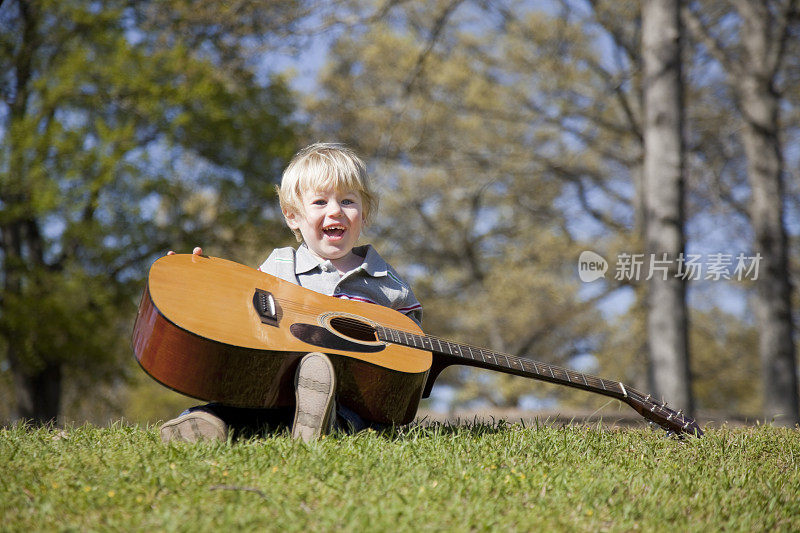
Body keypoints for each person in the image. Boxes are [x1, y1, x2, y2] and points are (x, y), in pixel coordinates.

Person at [159, 143, 422, 444]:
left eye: (348, 201)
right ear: (293, 217)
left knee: (358, 418)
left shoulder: (388, 283)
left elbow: (411, 350)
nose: (335, 210)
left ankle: (325, 424)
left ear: (365, 213)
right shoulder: (280, 264)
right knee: (240, 406)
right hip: (274, 385)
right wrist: (195, 284)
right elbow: (238, 312)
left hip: (350, 397)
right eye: (320, 202)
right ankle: (205, 424)